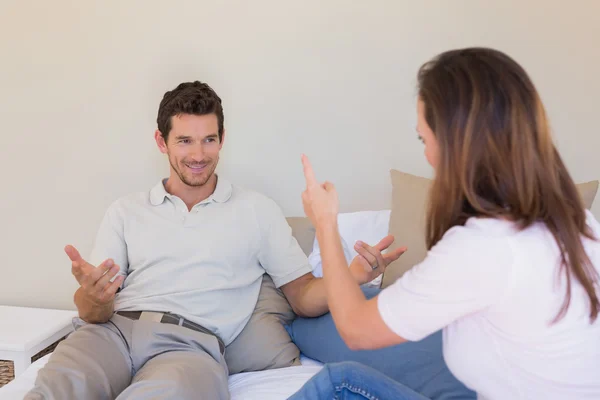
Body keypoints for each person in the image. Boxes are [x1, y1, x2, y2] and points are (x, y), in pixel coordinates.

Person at [24, 81, 405, 400]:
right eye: (185, 141)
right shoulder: (126, 210)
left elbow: (303, 297)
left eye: (209, 140)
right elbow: (93, 312)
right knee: (55, 388)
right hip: (113, 332)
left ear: (222, 139)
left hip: (191, 348)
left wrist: (352, 276)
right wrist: (92, 297)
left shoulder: (258, 210)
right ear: (162, 141)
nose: (198, 155)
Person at [291, 47, 600, 400]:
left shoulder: (485, 245)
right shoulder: (576, 221)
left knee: (336, 383)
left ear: (457, 141)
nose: (426, 155)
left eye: (425, 139)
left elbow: (356, 330)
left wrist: (326, 224)